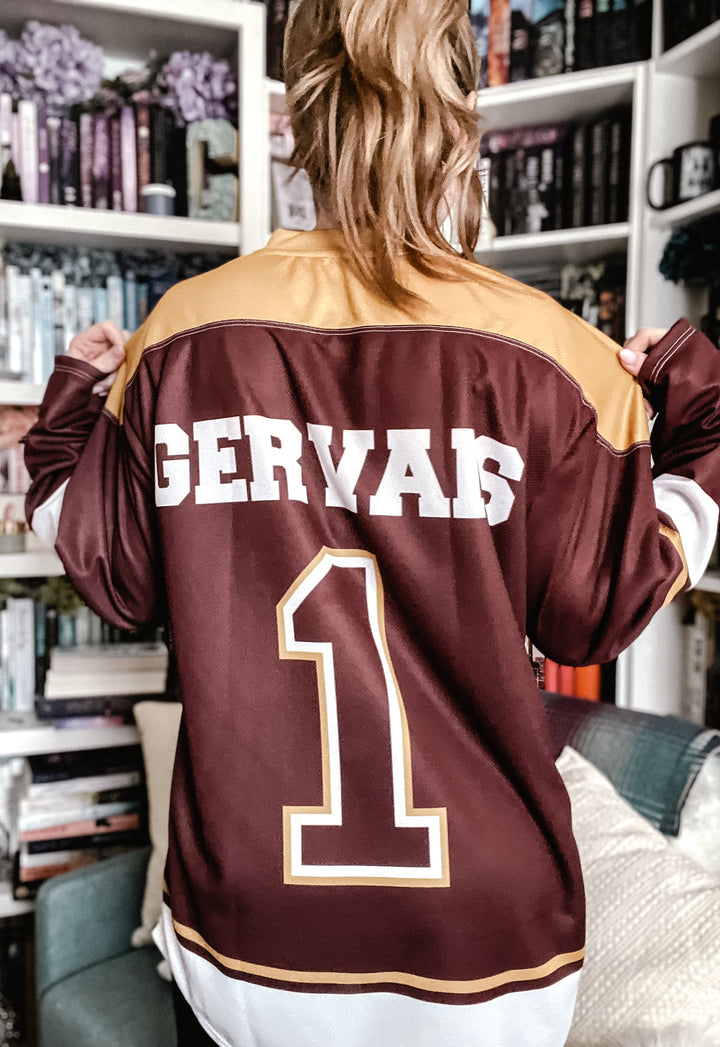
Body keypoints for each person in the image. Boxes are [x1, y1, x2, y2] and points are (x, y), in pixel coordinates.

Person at [22, 1, 720, 1045]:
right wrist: (700, 406)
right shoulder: (553, 354)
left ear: (294, 120)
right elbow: (603, 611)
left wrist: (72, 393)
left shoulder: (183, 336)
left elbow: (105, 565)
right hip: (490, 949)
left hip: (248, 935)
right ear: (459, 121)